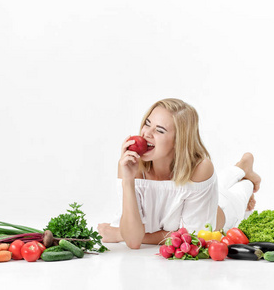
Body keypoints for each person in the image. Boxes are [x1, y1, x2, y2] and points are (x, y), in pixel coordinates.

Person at [97, 98, 261, 249]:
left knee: (242, 188)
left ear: (179, 141)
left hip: (222, 210)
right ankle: (241, 167)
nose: (146, 133)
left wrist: (119, 233)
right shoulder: (130, 165)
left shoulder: (201, 168)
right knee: (220, 182)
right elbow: (133, 241)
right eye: (147, 124)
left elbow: (191, 237)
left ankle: (245, 172)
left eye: (159, 130)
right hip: (202, 193)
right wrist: (128, 180)